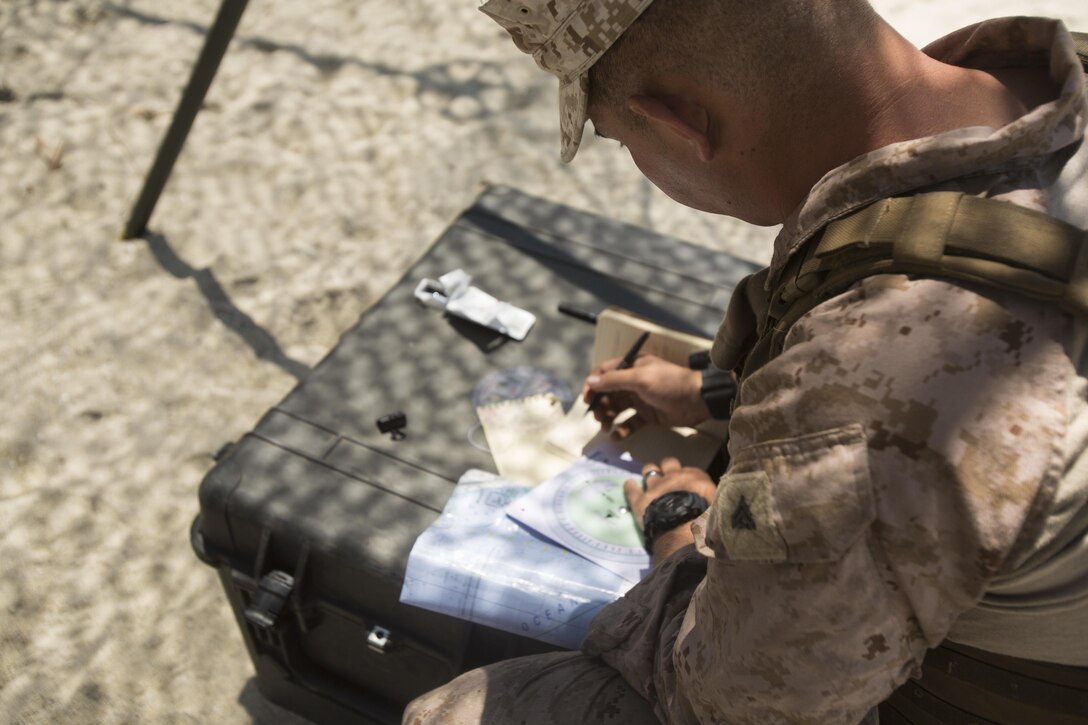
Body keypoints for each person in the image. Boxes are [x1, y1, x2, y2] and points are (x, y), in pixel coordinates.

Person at [405, 1, 1088, 722]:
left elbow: (732, 698)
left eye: (616, 138)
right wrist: (715, 389)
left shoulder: (868, 382)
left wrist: (677, 529)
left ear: (679, 119)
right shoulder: (1042, 81)